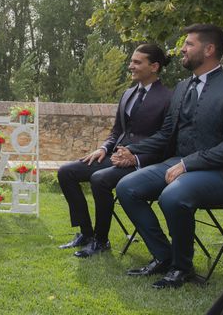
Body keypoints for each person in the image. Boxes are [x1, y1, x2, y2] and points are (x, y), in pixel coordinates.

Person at [115, 24, 223, 289]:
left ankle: (182, 267)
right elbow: (167, 132)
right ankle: (164, 256)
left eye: (189, 44)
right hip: (177, 164)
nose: (182, 48)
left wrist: (187, 164)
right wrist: (133, 150)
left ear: (209, 49)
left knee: (173, 195)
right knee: (127, 186)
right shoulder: (181, 88)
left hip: (222, 175)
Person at [57, 44, 172, 257]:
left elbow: (165, 138)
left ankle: (101, 241)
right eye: (131, 61)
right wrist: (103, 148)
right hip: (115, 156)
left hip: (143, 163)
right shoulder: (128, 93)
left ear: (154, 66)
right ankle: (86, 234)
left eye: (137, 62)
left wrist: (135, 156)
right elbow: (117, 130)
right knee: (66, 171)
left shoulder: (168, 98)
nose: (131, 66)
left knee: (100, 179)